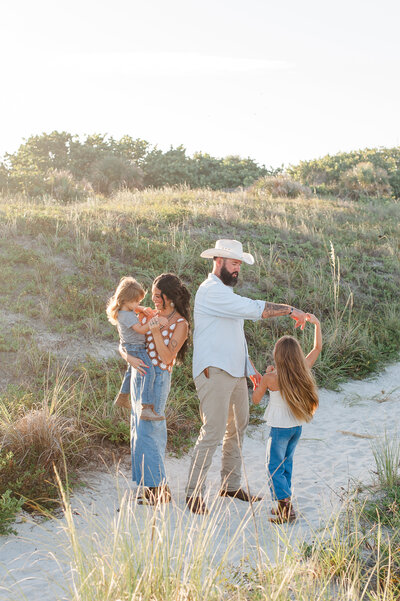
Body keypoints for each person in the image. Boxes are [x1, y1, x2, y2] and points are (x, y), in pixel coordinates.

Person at [185, 239, 308, 515]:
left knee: (238, 428)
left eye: (239, 264)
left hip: (236, 371)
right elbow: (254, 309)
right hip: (214, 371)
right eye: (233, 263)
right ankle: (193, 493)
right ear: (218, 261)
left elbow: (234, 336)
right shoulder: (210, 291)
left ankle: (230, 485)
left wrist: (249, 368)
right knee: (213, 430)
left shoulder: (225, 294)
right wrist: (290, 309)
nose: (237, 269)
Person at [120, 273, 190, 505]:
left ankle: (159, 489)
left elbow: (168, 355)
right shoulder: (151, 314)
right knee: (138, 430)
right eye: (152, 296)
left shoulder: (181, 324)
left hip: (158, 377)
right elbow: (126, 338)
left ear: (169, 297)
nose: (154, 301)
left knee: (151, 432)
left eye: (157, 296)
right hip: (138, 375)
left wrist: (156, 330)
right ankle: (147, 486)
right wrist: (127, 356)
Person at [252, 313, 322, 523]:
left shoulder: (271, 378)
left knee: (273, 466)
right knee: (286, 464)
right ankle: (285, 502)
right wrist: (316, 324)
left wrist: (259, 380)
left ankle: (285, 507)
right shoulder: (302, 370)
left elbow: (255, 400)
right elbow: (317, 348)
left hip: (279, 429)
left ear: (278, 355)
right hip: (296, 427)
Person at [106, 276, 167, 420]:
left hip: (129, 346)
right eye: (136, 301)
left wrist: (142, 309)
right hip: (136, 348)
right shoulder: (127, 316)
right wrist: (154, 322)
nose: (138, 304)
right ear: (125, 300)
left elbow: (134, 308)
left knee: (130, 371)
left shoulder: (123, 310)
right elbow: (140, 329)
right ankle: (146, 407)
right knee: (149, 372)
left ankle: (122, 396)